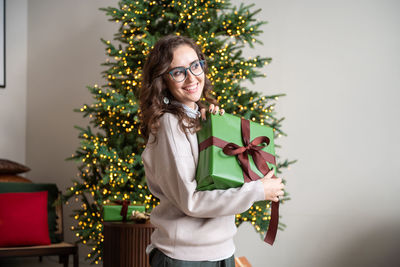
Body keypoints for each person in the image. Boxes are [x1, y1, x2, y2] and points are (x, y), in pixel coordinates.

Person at [139, 35, 285, 267]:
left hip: (222, 252)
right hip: (184, 258)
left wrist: (210, 129)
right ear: (163, 81)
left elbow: (217, 179)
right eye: (178, 72)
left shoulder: (197, 116)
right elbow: (192, 202)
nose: (191, 77)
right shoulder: (169, 124)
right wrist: (257, 191)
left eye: (195, 65)